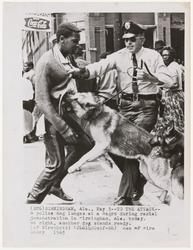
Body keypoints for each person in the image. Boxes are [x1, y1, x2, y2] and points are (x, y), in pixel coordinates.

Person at [69, 21, 174, 205]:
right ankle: (138, 181)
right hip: (125, 106)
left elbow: (169, 81)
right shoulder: (119, 56)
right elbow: (98, 67)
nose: (128, 43)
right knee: (118, 150)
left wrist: (151, 78)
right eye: (125, 40)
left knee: (133, 143)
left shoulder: (153, 56)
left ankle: (124, 196)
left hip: (146, 106)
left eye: (133, 39)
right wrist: (81, 72)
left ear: (142, 38)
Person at [26, 22, 94, 204]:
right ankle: (33, 198)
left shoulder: (67, 56)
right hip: (51, 118)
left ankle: (55, 185)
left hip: (66, 113)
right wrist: (63, 128)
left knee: (86, 144)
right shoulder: (46, 62)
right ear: (61, 39)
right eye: (74, 41)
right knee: (55, 163)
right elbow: (41, 100)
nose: (77, 45)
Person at [155, 46, 184, 134]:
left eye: (167, 55)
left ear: (171, 56)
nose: (164, 57)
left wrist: (163, 86)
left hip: (173, 97)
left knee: (173, 123)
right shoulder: (175, 65)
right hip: (176, 96)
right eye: (163, 55)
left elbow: (175, 84)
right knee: (176, 121)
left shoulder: (172, 67)